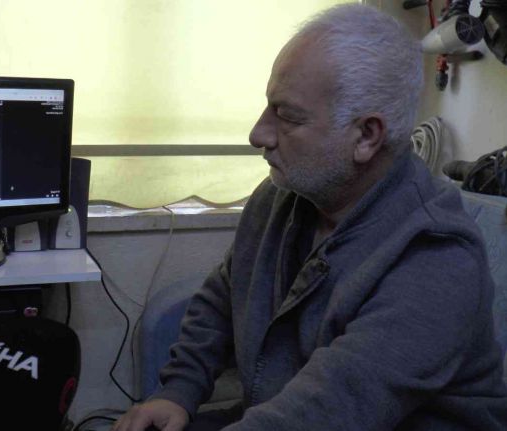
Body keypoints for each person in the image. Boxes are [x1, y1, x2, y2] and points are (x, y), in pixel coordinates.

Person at [113, 3, 507, 431]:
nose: (257, 134)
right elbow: (222, 299)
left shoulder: (437, 258)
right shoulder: (281, 196)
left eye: (286, 115)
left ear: (366, 136)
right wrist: (178, 391)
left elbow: (326, 410)